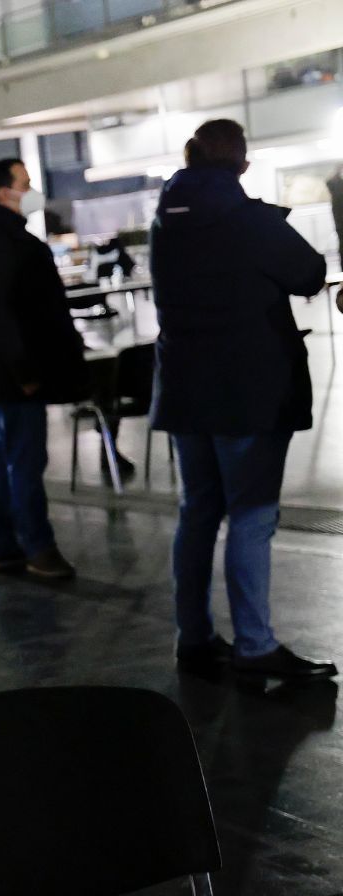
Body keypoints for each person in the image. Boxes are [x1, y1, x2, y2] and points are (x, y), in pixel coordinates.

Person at [149, 119, 336, 688]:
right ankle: (255, 645)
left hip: (185, 390)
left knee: (198, 512)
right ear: (242, 164)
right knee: (252, 517)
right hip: (248, 392)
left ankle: (195, 637)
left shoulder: (164, 222)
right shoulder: (248, 219)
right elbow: (309, 273)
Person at [0, 157, 84, 580]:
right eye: (25, 182)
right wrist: (26, 371)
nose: (32, 189)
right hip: (16, 375)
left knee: (9, 457)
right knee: (25, 462)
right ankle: (38, 547)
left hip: (11, 374)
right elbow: (0, 316)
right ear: (4, 192)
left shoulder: (2, 238)